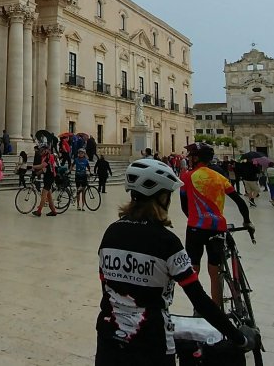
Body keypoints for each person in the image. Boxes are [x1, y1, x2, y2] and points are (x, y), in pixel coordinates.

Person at [97, 158, 251, 364]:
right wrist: (240, 338)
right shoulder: (167, 242)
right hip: (151, 342)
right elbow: (199, 300)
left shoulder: (111, 233)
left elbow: (106, 288)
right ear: (161, 197)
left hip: (109, 340)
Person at [179, 143, 252, 304]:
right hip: (217, 228)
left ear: (196, 158)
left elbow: (184, 205)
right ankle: (217, 307)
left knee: (193, 269)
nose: (188, 158)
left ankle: (198, 305)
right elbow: (240, 202)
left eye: (190, 156)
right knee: (215, 271)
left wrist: (193, 217)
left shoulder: (186, 176)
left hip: (195, 228)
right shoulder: (220, 178)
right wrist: (247, 221)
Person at [32, 146, 59, 217]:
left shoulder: (48, 157)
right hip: (47, 177)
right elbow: (44, 169)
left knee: (44, 194)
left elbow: (42, 166)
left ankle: (39, 211)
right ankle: (53, 211)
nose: (40, 152)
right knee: (49, 196)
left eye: (42, 151)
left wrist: (32, 167)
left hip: (50, 177)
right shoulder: (44, 157)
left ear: (46, 150)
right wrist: (36, 174)